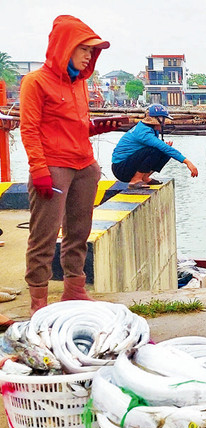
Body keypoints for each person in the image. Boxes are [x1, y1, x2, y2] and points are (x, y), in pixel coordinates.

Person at [19, 15, 123, 315]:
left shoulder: (80, 83)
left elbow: (72, 124)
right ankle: (39, 303)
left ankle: (74, 290)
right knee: (44, 236)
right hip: (53, 168)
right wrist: (38, 169)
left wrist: (97, 127)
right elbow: (30, 128)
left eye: (93, 50)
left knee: (79, 232)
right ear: (66, 47)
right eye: (84, 48)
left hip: (84, 165)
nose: (89, 55)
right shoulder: (35, 82)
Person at [111, 104, 198, 188]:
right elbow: (162, 147)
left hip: (128, 164)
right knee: (156, 150)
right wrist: (187, 162)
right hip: (120, 168)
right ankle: (135, 180)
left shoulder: (151, 129)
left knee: (165, 152)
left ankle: (144, 177)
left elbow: (163, 148)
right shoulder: (144, 132)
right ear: (158, 119)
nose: (165, 123)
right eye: (164, 119)